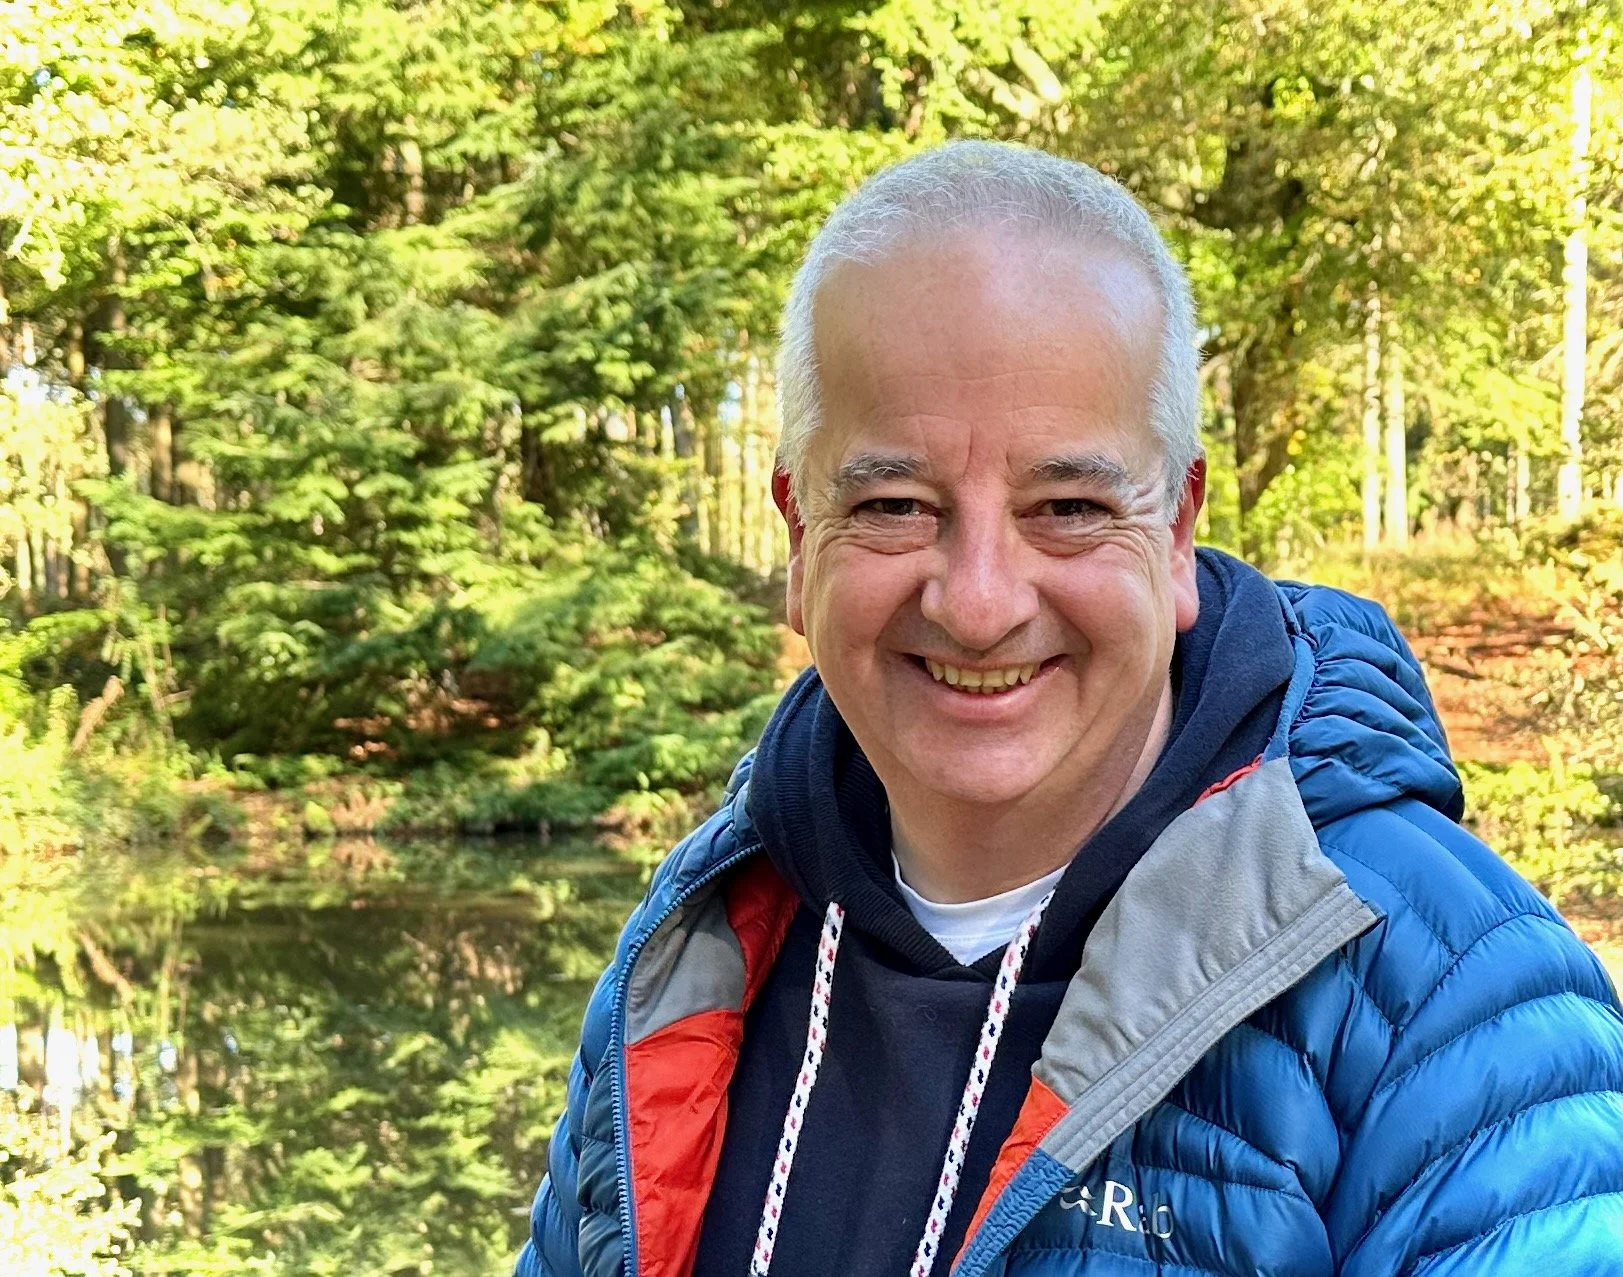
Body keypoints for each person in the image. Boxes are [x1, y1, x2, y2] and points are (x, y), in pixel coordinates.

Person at [514, 142, 1623, 1277]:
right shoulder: (695, 947)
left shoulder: (1451, 998)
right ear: (799, 538)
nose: (981, 602)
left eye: (1070, 505)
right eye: (895, 504)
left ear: (1179, 527)